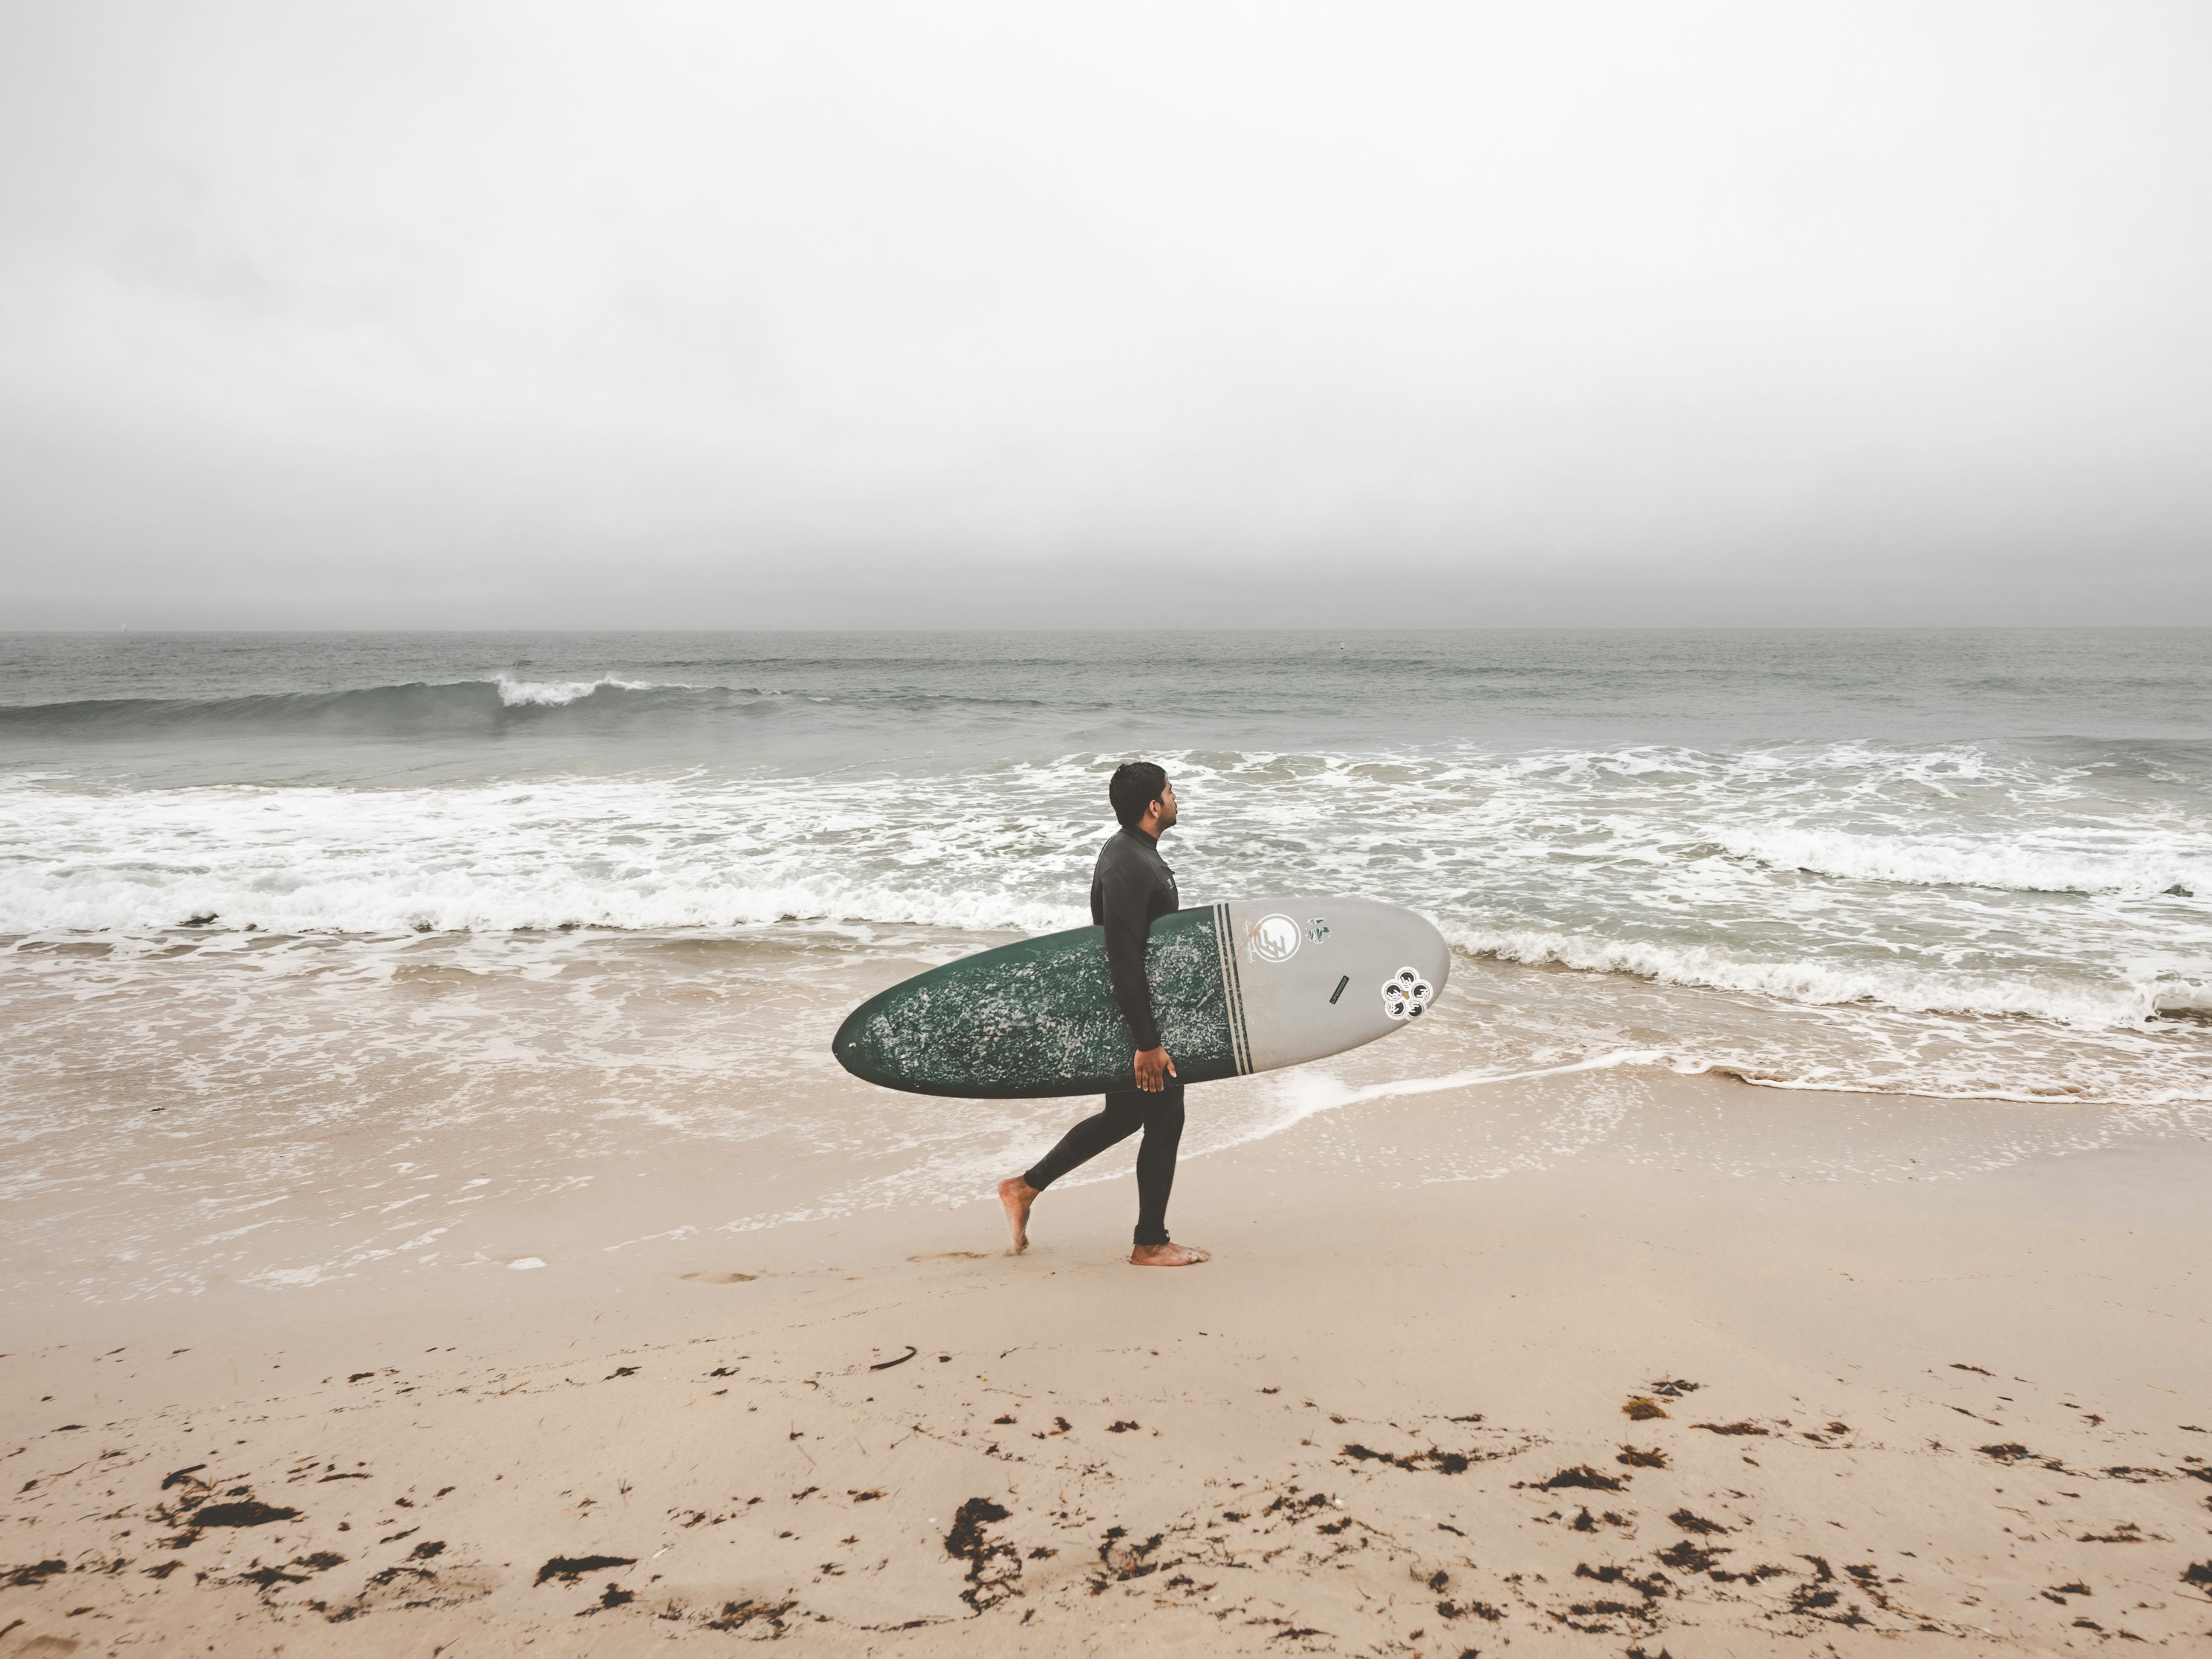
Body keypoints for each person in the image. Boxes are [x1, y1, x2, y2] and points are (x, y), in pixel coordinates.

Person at [998, 762, 1210, 1267]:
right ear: (1153, 806)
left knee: (1125, 1115)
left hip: (1133, 1013)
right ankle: (1150, 1243)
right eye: (1170, 791)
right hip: (1135, 1019)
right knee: (1165, 1120)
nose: (1176, 797)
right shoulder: (1128, 863)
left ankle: (1024, 1188)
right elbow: (1123, 958)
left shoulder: (1134, 853)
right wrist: (1147, 1043)